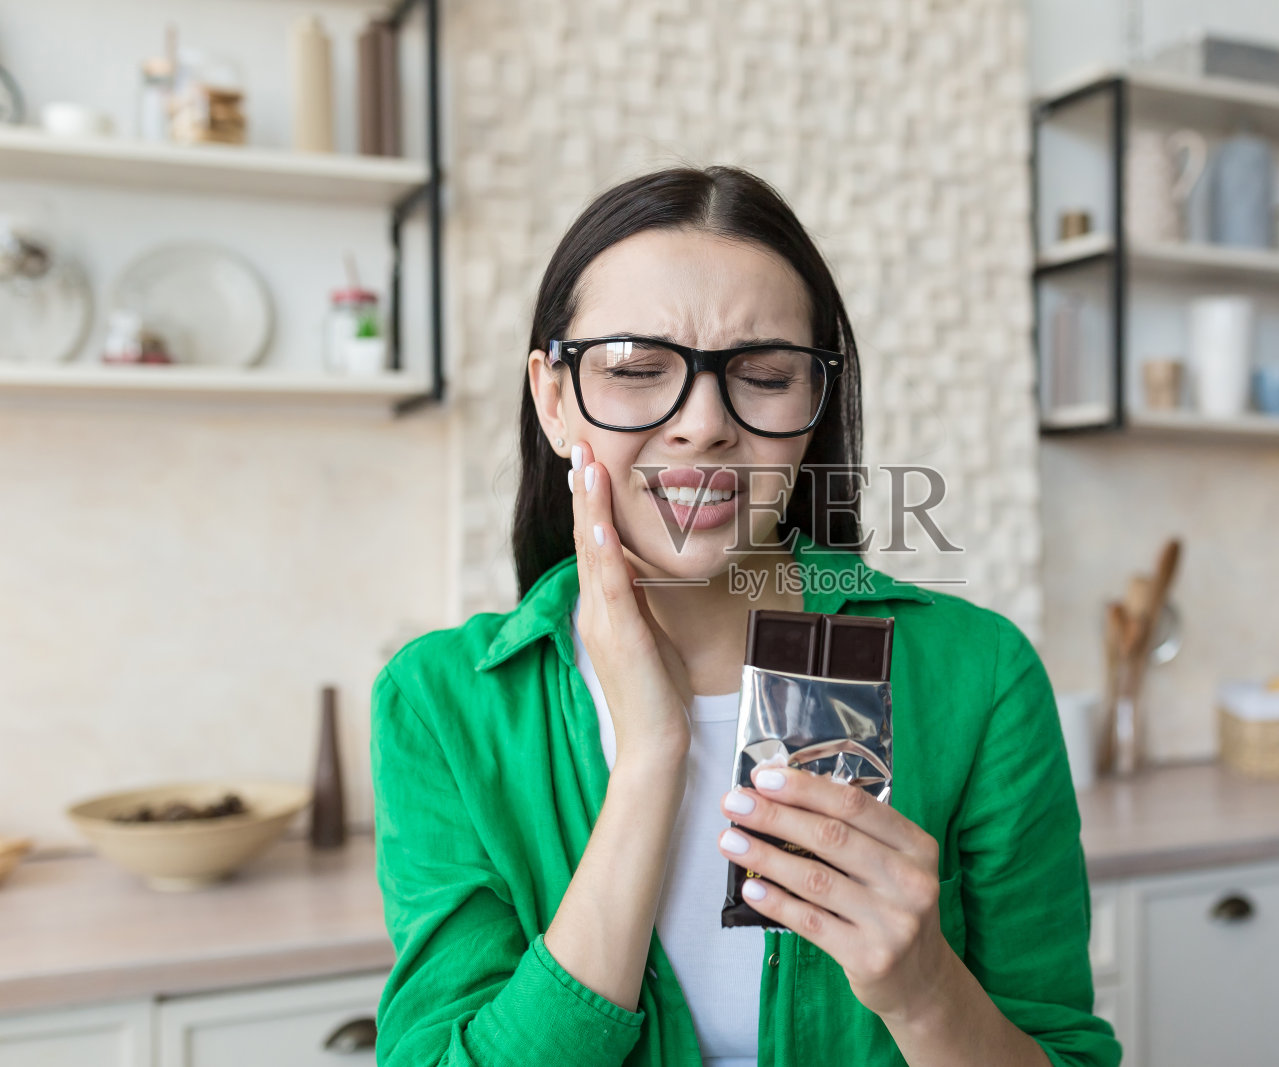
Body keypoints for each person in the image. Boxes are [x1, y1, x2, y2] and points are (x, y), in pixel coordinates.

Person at [370, 165, 1119, 1067]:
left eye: (763, 375)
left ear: (815, 408)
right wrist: (652, 755)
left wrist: (925, 991)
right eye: (639, 369)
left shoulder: (980, 675)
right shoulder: (441, 704)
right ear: (554, 396)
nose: (702, 423)